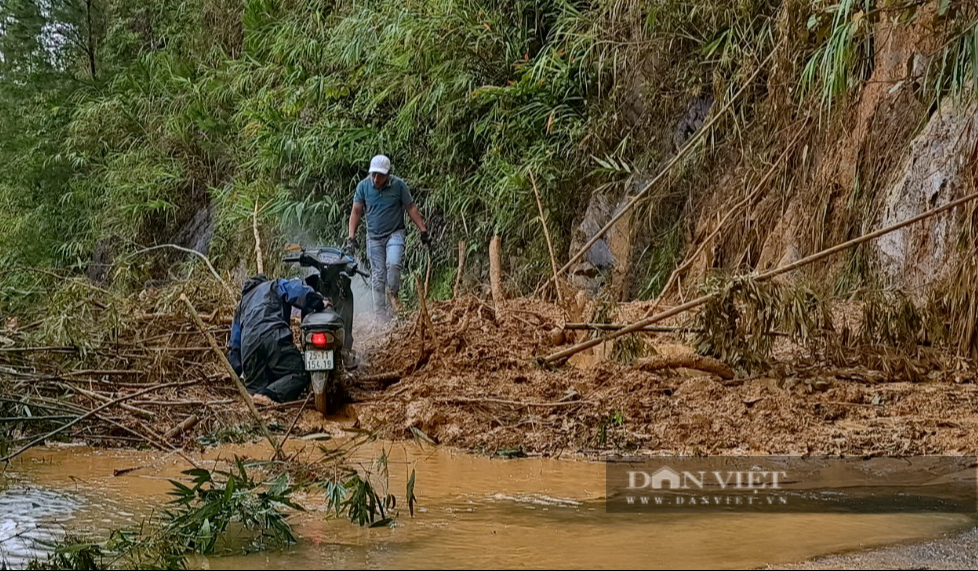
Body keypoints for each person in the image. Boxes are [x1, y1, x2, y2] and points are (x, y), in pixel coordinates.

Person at [345, 154, 431, 319]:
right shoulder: (363, 187)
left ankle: (393, 295)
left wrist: (423, 230)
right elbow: (356, 211)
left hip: (395, 233)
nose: (376, 178)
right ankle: (380, 315)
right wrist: (351, 237)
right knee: (377, 276)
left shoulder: (398, 186)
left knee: (393, 264)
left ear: (388, 173)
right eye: (374, 174)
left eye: (381, 175)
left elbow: (410, 207)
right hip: (374, 237)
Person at [228, 274, 326, 406]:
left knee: (255, 391)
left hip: (248, 348)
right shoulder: (274, 285)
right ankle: (268, 395)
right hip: (273, 336)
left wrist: (239, 370)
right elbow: (296, 290)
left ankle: (260, 396)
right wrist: (319, 301)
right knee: (300, 372)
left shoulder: (241, 305)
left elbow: (234, 347)